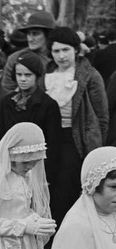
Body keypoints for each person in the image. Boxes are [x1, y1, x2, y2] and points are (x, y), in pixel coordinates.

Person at [43, 27, 109, 227]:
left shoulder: (89, 75)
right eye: (56, 51)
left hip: (76, 139)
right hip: (49, 139)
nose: (61, 56)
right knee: (48, 188)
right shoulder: (46, 73)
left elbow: (102, 116)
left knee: (67, 190)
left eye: (66, 50)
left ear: (76, 50)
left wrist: (95, 148)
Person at [0, 51, 62, 186]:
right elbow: (3, 135)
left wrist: (47, 175)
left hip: (36, 167)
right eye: (19, 74)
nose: (22, 79)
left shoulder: (48, 105)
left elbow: (53, 143)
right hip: (11, 165)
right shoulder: (7, 102)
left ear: (37, 76)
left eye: (28, 75)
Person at [2, 11, 56, 92]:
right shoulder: (15, 58)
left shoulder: (58, 57)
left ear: (48, 35)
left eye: (35, 34)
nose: (30, 39)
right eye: (28, 34)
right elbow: (7, 90)